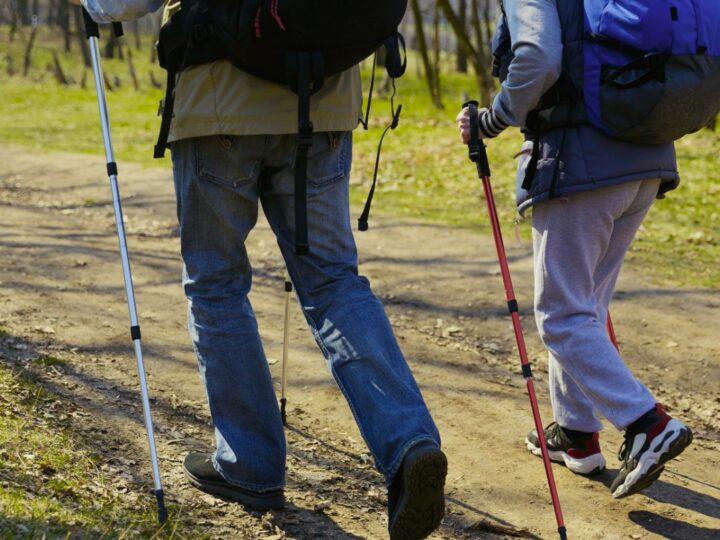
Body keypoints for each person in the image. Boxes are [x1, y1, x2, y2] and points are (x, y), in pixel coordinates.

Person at [77, 1, 447, 537]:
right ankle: (410, 442)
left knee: (216, 284)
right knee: (333, 282)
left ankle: (250, 465)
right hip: (323, 101)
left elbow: (120, 4)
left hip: (218, 105)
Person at [456, 0, 692, 499]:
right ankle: (576, 435)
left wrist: (491, 121)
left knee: (561, 316)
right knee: (586, 306)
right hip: (646, 160)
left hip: (581, 164)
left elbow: (538, 59)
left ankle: (648, 423)